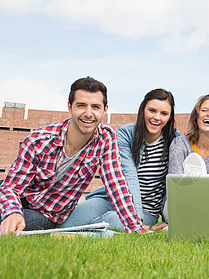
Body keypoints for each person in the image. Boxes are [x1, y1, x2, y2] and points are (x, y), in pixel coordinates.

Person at [0, 77, 146, 234]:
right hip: (18, 200)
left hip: (45, 213)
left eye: (95, 107)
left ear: (105, 109)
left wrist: (134, 226)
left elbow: (116, 184)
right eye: (81, 106)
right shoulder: (38, 140)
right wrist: (13, 212)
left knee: (22, 224)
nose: (88, 113)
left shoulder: (106, 139)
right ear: (70, 107)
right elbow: (11, 187)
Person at [61, 89, 178, 230]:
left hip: (146, 210)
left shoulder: (174, 139)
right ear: (143, 110)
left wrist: (139, 218)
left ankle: (96, 226)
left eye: (164, 113)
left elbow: (174, 181)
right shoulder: (125, 134)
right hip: (111, 200)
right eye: (152, 110)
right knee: (68, 223)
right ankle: (91, 227)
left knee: (115, 220)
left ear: (170, 116)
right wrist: (136, 221)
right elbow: (129, 176)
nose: (157, 117)